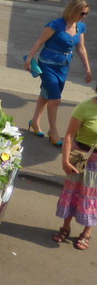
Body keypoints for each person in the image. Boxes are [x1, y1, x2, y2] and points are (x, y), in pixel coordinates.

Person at [24, 0, 92, 146]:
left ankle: (35, 122)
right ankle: (53, 131)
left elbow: (81, 48)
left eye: (86, 13)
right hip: (47, 65)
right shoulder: (56, 24)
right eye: (82, 13)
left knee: (46, 93)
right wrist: (29, 59)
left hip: (63, 67)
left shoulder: (80, 27)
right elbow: (40, 41)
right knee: (55, 99)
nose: (84, 16)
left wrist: (87, 68)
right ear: (73, 10)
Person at [52, 86, 97, 250]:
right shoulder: (84, 107)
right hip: (81, 158)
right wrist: (65, 160)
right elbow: (70, 135)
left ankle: (87, 232)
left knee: (93, 198)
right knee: (72, 192)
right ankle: (65, 227)